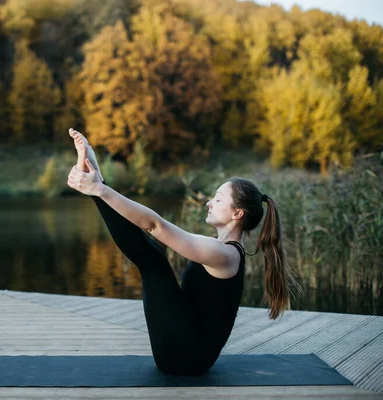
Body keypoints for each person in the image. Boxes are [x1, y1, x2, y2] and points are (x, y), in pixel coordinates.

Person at [66, 128, 300, 375]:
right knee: (154, 255)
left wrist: (100, 190)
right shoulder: (220, 249)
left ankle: (96, 186)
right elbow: (154, 231)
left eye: (218, 199)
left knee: (154, 264)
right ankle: (96, 182)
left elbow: (154, 224)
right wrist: (100, 185)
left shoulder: (223, 256)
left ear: (237, 214)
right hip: (187, 350)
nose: (210, 202)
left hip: (186, 357)